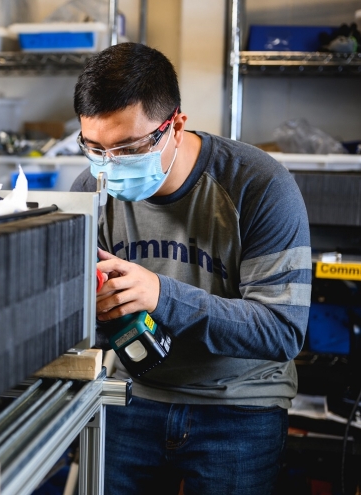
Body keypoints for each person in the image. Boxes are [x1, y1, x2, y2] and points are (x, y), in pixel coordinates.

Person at [71, 43, 311, 494]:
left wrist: (162, 296)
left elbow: (282, 330)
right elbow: (91, 322)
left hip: (239, 405)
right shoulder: (90, 189)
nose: (108, 167)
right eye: (94, 148)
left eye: (128, 148)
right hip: (132, 394)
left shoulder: (260, 186)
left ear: (175, 125)